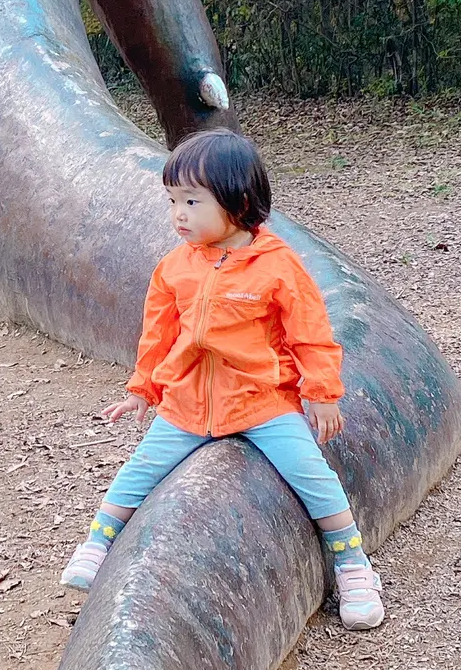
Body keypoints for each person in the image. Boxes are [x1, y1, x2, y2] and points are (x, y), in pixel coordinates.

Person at [59, 127, 385, 629]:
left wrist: (321, 393)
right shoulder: (174, 268)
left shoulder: (277, 267)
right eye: (172, 201)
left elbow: (311, 333)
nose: (178, 215)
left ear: (238, 201)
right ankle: (99, 541)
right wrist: (144, 389)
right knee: (141, 468)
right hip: (188, 402)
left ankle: (352, 562)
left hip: (261, 401)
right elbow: (158, 335)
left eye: (191, 200)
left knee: (310, 474)